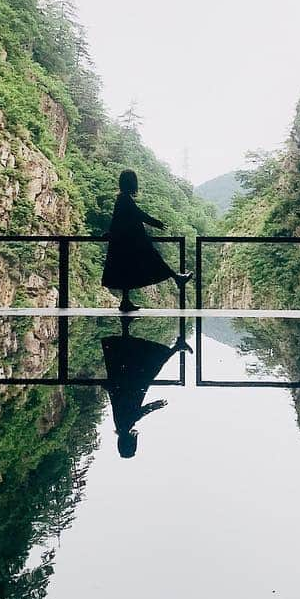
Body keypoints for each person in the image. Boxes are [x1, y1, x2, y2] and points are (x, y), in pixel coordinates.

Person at [101, 169, 192, 313]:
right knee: (153, 259)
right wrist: (157, 223)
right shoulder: (125, 199)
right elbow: (138, 215)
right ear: (132, 183)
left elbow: (117, 220)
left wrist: (111, 233)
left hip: (125, 241)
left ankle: (126, 302)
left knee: (127, 270)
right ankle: (177, 278)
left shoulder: (122, 199)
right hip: (132, 241)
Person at [102, 318, 191, 458]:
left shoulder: (125, 426)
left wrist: (156, 406)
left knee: (152, 363)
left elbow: (140, 412)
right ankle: (126, 322)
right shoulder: (121, 426)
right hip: (125, 384)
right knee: (128, 353)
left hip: (132, 384)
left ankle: (177, 346)